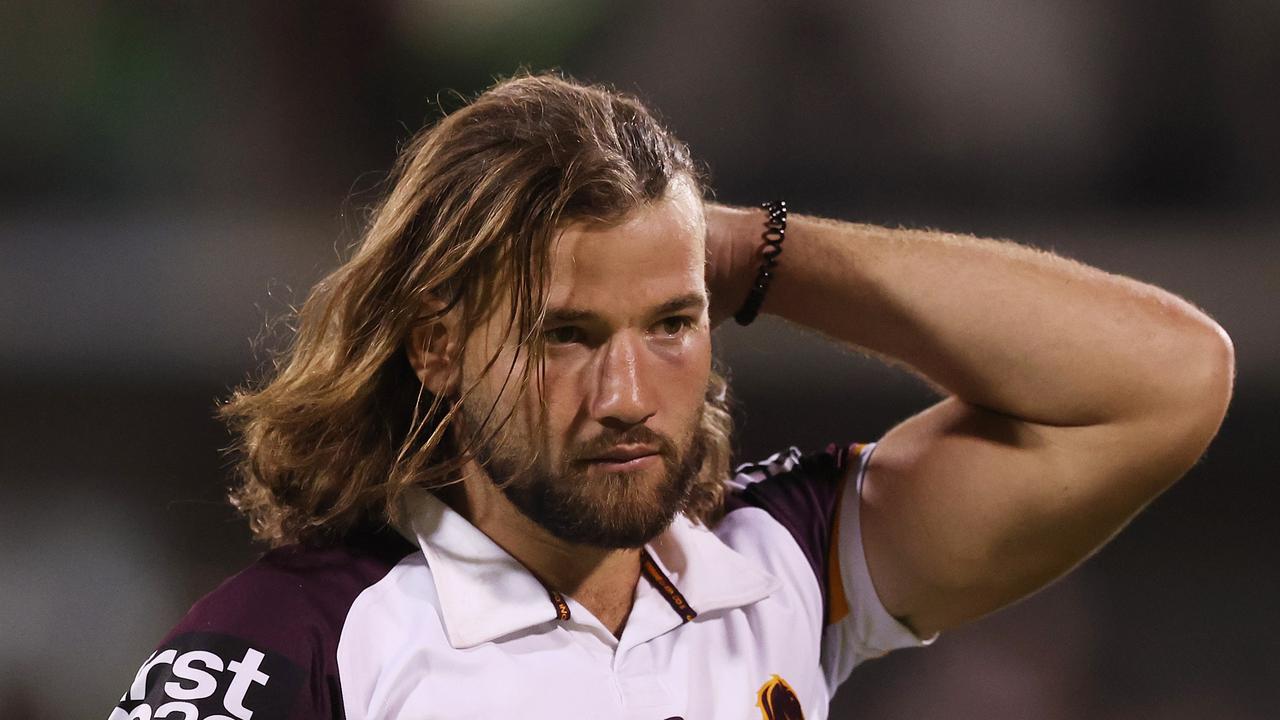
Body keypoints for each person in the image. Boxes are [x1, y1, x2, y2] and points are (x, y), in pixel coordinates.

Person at [108, 73, 1233, 720]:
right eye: (565, 335)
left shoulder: (779, 566)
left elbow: (1164, 381)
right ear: (436, 347)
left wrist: (741, 250)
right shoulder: (297, 643)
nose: (626, 395)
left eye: (670, 325)